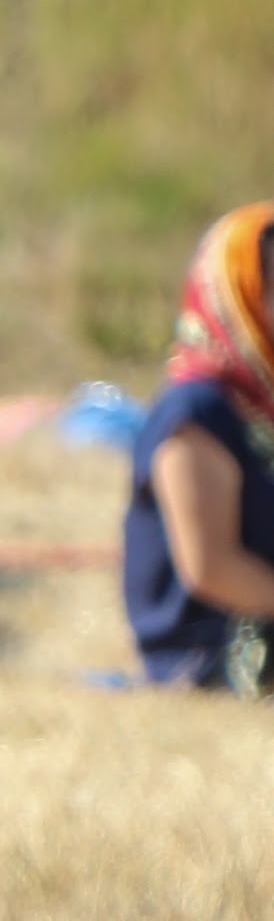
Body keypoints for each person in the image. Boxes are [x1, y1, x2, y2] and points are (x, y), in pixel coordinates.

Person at [123, 203, 274, 691]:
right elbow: (211, 568)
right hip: (214, 655)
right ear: (239, 296)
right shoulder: (195, 412)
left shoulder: (261, 402)